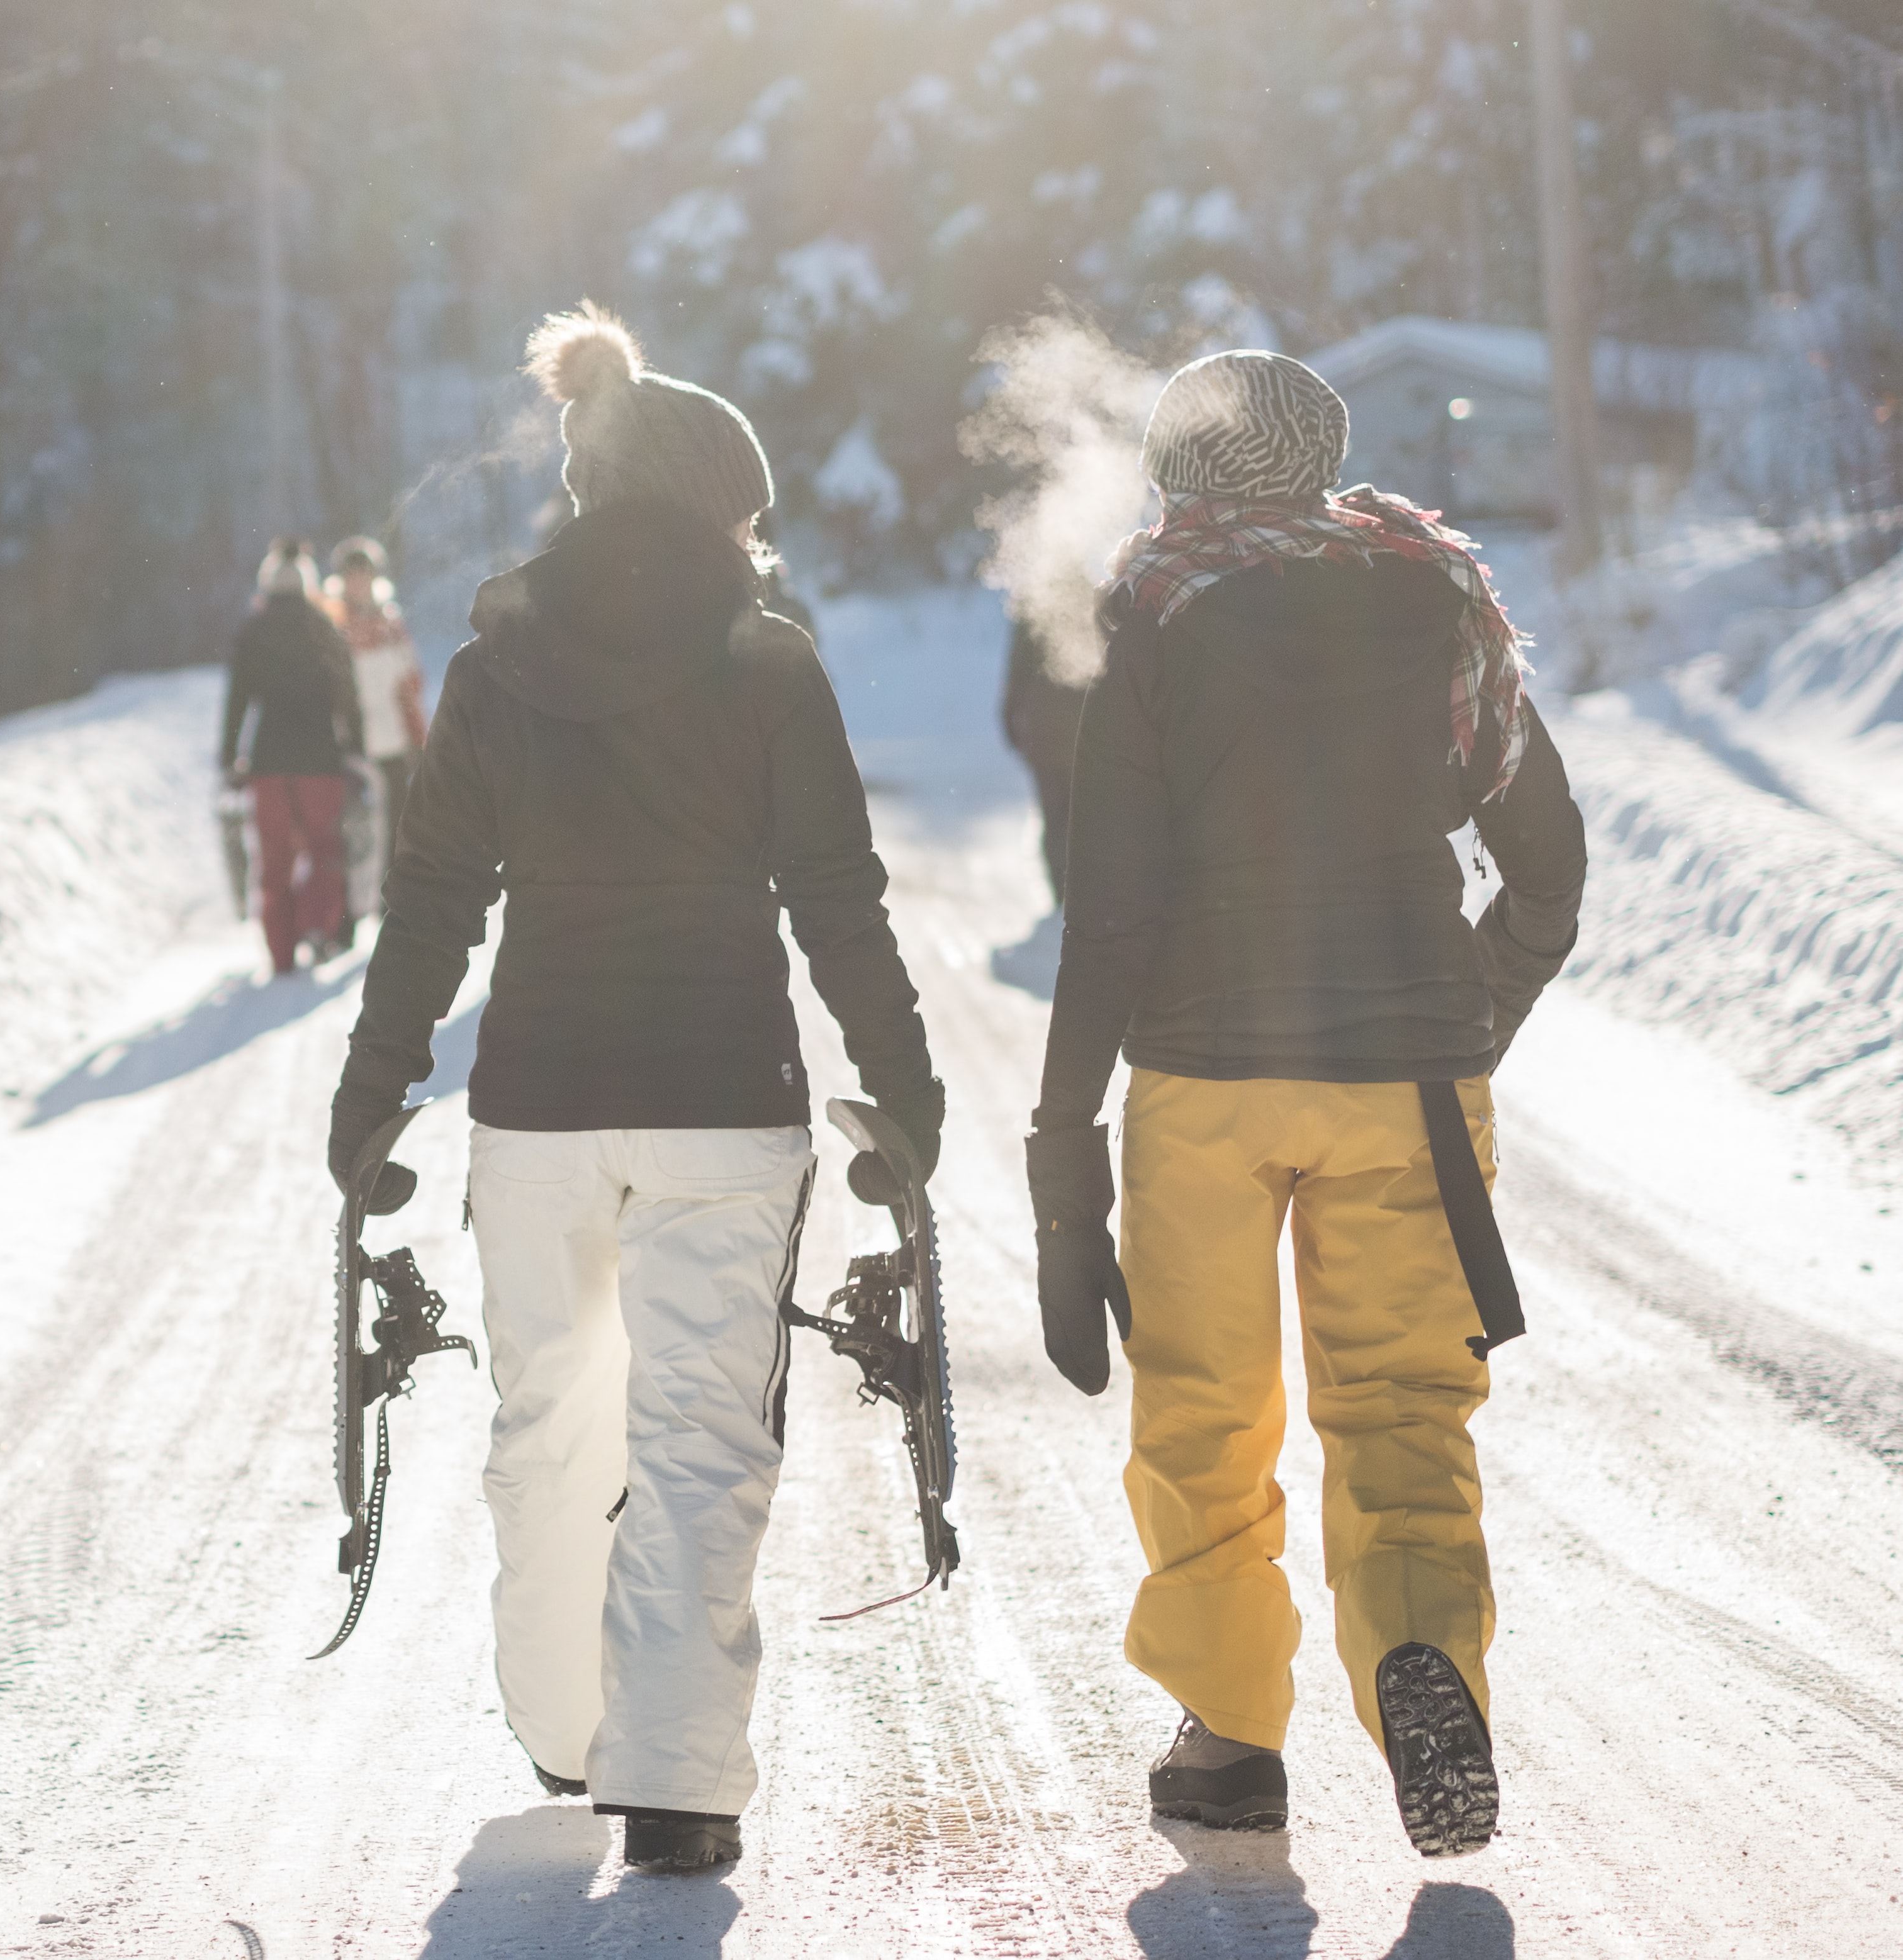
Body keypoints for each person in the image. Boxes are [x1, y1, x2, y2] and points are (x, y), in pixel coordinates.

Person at [327, 304, 940, 1876]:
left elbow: (434, 896)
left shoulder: (491, 663)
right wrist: (904, 1083)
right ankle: (671, 1783)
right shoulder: (768, 663)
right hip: (725, 1100)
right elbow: (836, 894)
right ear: (717, 506)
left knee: (547, 1423)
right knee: (697, 1433)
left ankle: (561, 1727)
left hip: (536, 1102)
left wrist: (372, 1088)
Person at [1021, 350, 1585, 1857]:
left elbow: (1116, 907)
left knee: (1205, 1405)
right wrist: (1475, 1021)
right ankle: (1421, 1654)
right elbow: (1547, 869)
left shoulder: (1155, 605)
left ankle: (1226, 1737)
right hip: (1407, 1072)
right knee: (1404, 1402)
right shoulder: (1439, 598)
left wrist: (1060, 1139)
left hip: (1206, 1077)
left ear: (1179, 468)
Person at [221, 537, 363, 974]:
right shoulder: (325, 625)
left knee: (274, 859)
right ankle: (318, 927)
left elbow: (238, 701)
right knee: (324, 850)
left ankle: (281, 952)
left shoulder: (252, 630)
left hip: (268, 763)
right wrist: (356, 749)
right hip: (322, 760)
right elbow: (349, 696)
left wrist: (230, 757)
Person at [327, 534, 430, 874]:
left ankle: (390, 914)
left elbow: (411, 687)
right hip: (352, 751)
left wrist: (421, 741)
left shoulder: (392, 625)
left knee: (397, 841)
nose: (359, 583)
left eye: (364, 574)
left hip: (395, 748)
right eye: (351, 576)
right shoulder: (332, 628)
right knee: (354, 844)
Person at [999, 617, 1088, 913]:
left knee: (1054, 814)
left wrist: (1011, 721)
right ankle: (1079, 889)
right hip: (1081, 727)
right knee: (1082, 815)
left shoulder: (1034, 608)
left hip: (1042, 728)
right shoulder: (1091, 597)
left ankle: (1061, 889)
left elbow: (1017, 670)